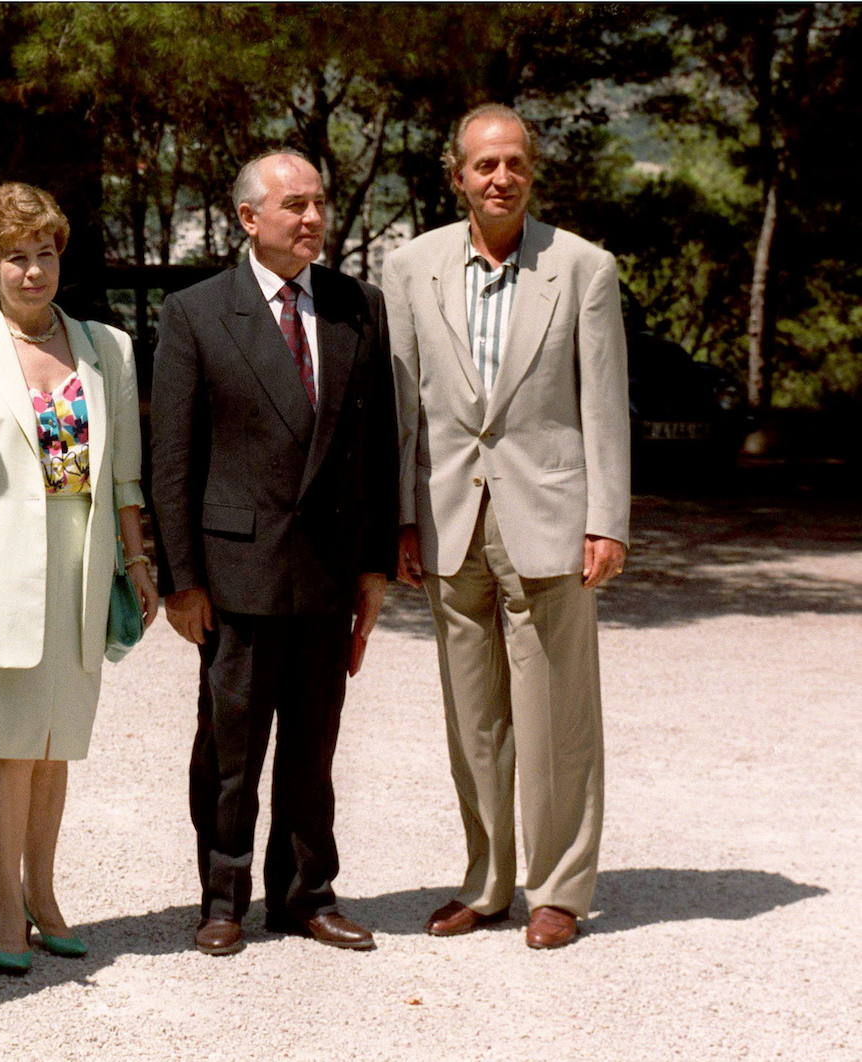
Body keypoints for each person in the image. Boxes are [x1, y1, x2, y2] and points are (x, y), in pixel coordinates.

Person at [382, 103, 630, 949]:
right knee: (474, 718)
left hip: (552, 518)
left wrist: (608, 520)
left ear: (532, 172)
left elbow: (604, 403)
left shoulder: (583, 268)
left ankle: (558, 888)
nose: (500, 178)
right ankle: (487, 882)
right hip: (448, 517)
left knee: (558, 713)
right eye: (484, 165)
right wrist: (401, 519)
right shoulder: (409, 268)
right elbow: (400, 407)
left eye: (514, 163)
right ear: (456, 176)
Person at [149, 150, 398, 957]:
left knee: (312, 751)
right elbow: (173, 459)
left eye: (319, 202)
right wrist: (181, 579)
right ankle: (222, 899)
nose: (312, 218)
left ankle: (307, 896)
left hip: (327, 573)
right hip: (235, 574)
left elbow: (375, 447)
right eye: (294, 205)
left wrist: (373, 568)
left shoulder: (359, 306)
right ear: (248, 219)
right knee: (230, 750)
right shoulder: (195, 312)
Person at [0, 183, 158, 974]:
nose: (32, 271)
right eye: (15, 257)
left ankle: (46, 894)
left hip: (81, 573)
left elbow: (123, 479)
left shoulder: (108, 348)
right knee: (11, 749)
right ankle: (1, 898)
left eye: (44, 254)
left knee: (56, 749)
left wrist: (139, 562)